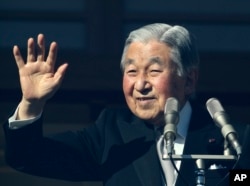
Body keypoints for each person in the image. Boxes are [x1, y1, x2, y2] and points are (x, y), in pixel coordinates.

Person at [3, 23, 250, 186]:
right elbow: (30, 157)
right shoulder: (110, 132)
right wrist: (31, 104)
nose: (140, 84)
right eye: (131, 71)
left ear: (189, 80)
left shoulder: (233, 137)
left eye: (154, 70)